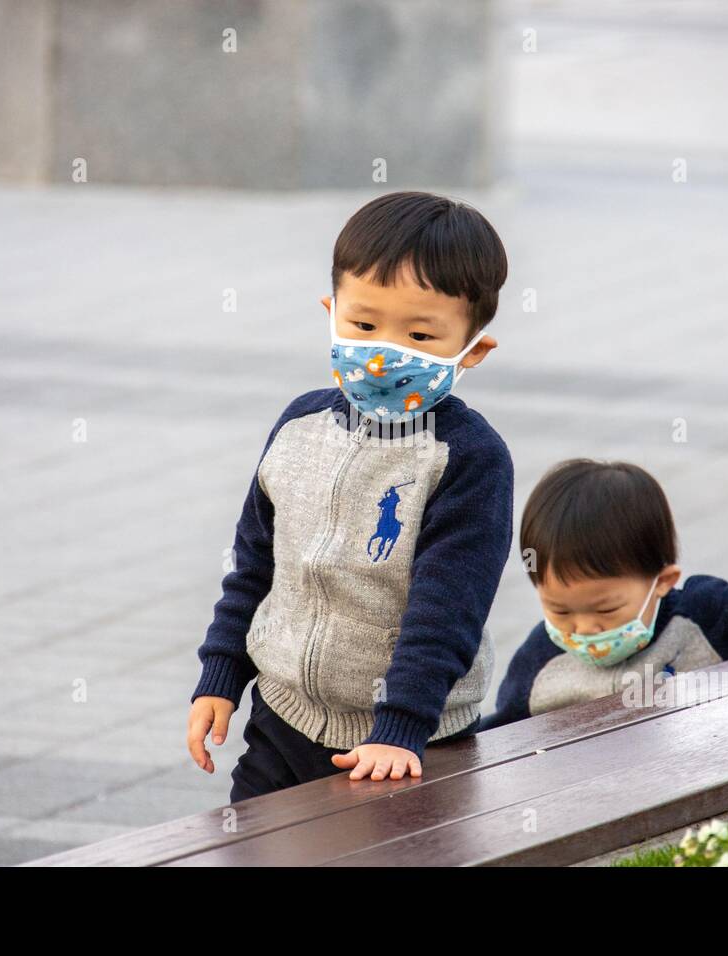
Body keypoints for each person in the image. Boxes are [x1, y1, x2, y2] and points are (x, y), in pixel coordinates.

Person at [187, 191, 515, 801]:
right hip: (282, 717)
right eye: (363, 325)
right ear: (330, 312)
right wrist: (222, 673)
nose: (385, 352)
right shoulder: (298, 426)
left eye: (419, 335)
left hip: (411, 742)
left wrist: (402, 727)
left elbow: (447, 611)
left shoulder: (468, 459)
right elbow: (253, 562)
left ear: (473, 351)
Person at [480, 458, 728, 729]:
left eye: (606, 610)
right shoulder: (538, 657)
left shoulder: (702, 612)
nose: (584, 628)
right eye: (560, 612)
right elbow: (503, 737)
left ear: (662, 581)